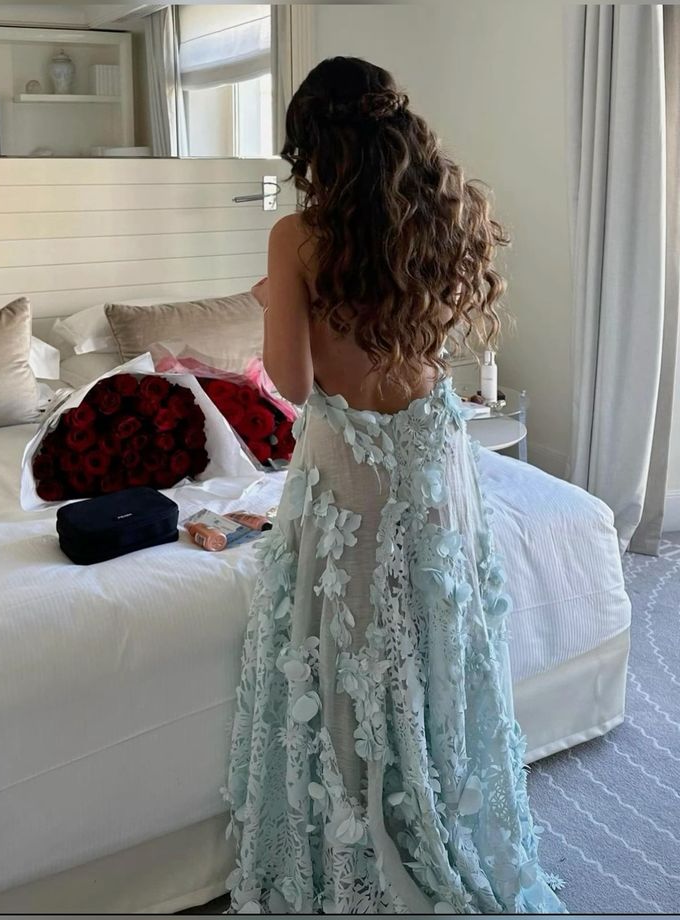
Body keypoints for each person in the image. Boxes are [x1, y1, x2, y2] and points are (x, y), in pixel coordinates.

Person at [219, 56, 568, 915]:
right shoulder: (447, 211)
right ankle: (435, 807)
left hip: (352, 470)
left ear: (313, 143)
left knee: (350, 653)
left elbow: (292, 382)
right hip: (434, 452)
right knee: (434, 631)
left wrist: (275, 300)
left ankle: (361, 831)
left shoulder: (298, 238)